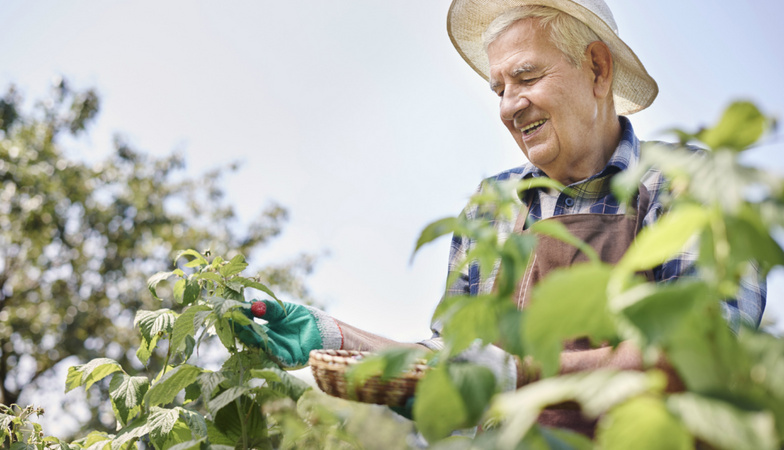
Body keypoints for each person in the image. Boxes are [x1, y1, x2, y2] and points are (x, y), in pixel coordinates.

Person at [237, 0, 766, 437]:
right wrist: (335, 337)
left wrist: (521, 373)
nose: (510, 106)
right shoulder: (494, 202)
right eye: (499, 89)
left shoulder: (686, 183)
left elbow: (702, 353)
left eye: (527, 77)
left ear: (598, 69)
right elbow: (456, 359)